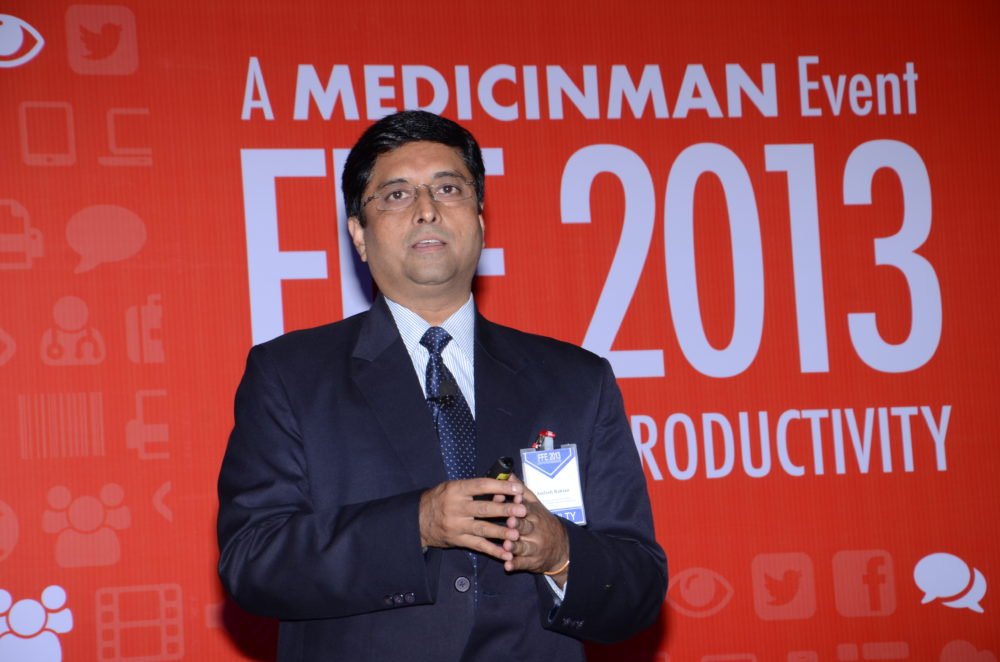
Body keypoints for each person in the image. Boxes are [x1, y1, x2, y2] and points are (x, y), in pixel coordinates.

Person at [217, 110, 667, 661]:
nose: (427, 209)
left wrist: (561, 554)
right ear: (359, 234)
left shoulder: (577, 380)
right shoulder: (290, 374)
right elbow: (253, 561)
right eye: (397, 195)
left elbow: (640, 586)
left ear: (480, 219)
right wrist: (417, 524)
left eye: (449, 189)